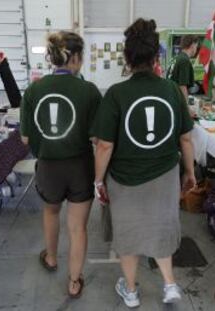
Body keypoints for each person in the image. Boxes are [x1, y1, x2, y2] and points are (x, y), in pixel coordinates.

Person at [92, 19, 196, 308]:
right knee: (161, 228)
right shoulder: (173, 90)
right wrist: (189, 172)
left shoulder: (115, 94)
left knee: (129, 234)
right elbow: (186, 139)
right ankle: (170, 284)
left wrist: (98, 180)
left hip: (125, 179)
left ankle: (132, 291)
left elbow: (104, 145)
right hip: (164, 175)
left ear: (127, 58)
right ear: (155, 58)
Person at [20, 31, 101, 298]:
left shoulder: (33, 90)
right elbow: (97, 136)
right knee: (77, 227)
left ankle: (52, 257)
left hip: (48, 166)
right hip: (80, 166)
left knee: (51, 212)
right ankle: (74, 281)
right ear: (75, 58)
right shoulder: (88, 91)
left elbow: (25, 137)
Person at [167, 35, 199, 100]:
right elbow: (182, 86)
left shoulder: (176, 58)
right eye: (196, 46)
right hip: (176, 99)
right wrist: (186, 106)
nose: (196, 49)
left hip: (170, 96)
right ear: (192, 45)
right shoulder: (184, 60)